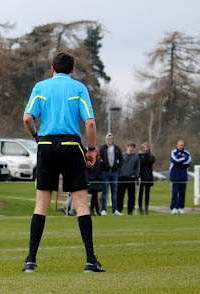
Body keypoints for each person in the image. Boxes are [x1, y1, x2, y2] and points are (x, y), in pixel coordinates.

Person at [22, 52, 105, 273]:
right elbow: (89, 122)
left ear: (52, 68)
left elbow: (27, 118)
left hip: (46, 144)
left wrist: (35, 136)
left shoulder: (40, 87)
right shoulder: (78, 88)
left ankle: (30, 260)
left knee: (41, 205)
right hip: (71, 145)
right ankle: (90, 261)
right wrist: (91, 149)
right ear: (72, 69)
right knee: (81, 204)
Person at [99, 133, 123, 216]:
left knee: (114, 192)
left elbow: (121, 160)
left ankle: (115, 210)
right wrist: (102, 167)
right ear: (106, 139)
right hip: (105, 172)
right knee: (104, 192)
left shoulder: (117, 148)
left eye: (111, 138)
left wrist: (117, 166)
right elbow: (99, 159)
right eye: (108, 138)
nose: (110, 140)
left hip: (114, 172)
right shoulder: (102, 148)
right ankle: (103, 209)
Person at [117, 141, 140, 215]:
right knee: (120, 195)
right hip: (122, 177)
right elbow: (118, 166)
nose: (131, 148)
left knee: (131, 196)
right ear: (127, 147)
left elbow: (138, 168)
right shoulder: (122, 155)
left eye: (132, 147)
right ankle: (119, 210)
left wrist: (136, 176)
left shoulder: (136, 157)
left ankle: (130, 210)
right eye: (130, 147)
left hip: (131, 178)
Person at [170, 140, 191, 214]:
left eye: (182, 145)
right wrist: (182, 160)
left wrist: (180, 161)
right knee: (174, 192)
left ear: (184, 145)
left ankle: (181, 207)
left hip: (183, 176)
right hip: (175, 176)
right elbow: (175, 161)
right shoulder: (173, 152)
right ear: (177, 145)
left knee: (182, 193)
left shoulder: (187, 153)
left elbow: (187, 163)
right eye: (179, 145)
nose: (181, 146)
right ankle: (174, 208)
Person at [138, 143, 156, 215]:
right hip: (141, 176)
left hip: (148, 176)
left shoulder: (151, 156)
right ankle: (140, 208)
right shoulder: (138, 155)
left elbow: (149, 162)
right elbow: (140, 163)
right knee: (140, 193)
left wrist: (146, 155)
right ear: (141, 148)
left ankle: (146, 209)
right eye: (144, 147)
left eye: (147, 147)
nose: (146, 148)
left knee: (147, 193)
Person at [86, 147, 104, 216]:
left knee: (95, 195)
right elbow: (88, 171)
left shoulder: (99, 162)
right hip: (91, 181)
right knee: (94, 195)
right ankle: (95, 210)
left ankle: (94, 210)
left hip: (98, 181)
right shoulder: (89, 161)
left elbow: (101, 171)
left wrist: (100, 178)